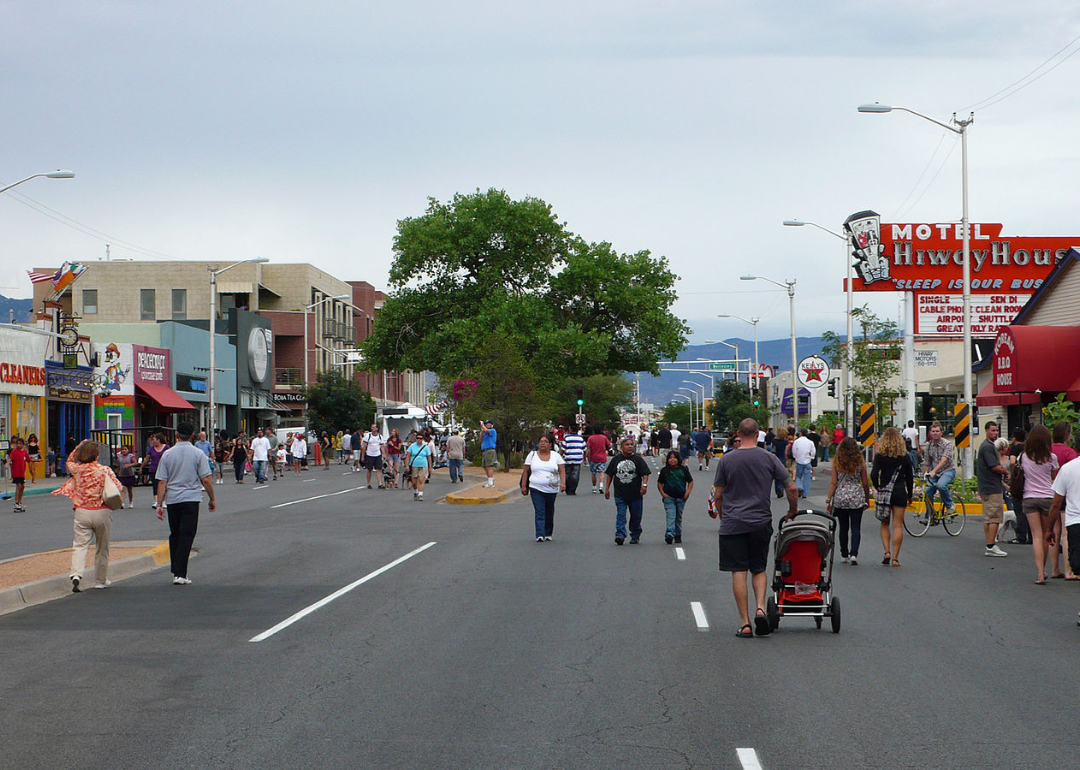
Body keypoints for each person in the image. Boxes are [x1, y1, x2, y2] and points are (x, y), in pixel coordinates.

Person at [711, 419, 798, 638]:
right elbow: (791, 487)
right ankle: (761, 607)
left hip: (733, 523)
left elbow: (718, 494)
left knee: (738, 571)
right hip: (760, 521)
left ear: (739, 433)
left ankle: (745, 622)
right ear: (758, 433)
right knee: (758, 568)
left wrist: (724, 517)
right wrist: (792, 510)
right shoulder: (769, 458)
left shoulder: (727, 460)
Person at [53, 440, 123, 592]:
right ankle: (100, 580)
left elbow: (69, 461)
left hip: (82, 511)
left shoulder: (77, 469)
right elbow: (118, 487)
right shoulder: (104, 470)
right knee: (102, 547)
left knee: (79, 545)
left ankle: (76, 574)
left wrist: (78, 446)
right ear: (96, 455)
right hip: (101, 511)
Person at [155, 421, 215, 585]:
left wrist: (159, 504)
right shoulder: (198, 454)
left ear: (176, 435)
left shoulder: (167, 454)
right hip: (191, 498)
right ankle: (180, 573)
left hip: (173, 499)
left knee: (175, 533)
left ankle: (176, 570)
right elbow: (206, 479)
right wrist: (212, 498)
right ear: (192, 436)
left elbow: (162, 481)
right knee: (187, 534)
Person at [1020, 423, 1061, 584]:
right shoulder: (1052, 458)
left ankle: (1040, 573)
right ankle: (1045, 569)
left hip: (1029, 497)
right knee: (1045, 535)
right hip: (1047, 498)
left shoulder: (1024, 456)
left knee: (1036, 536)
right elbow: (1054, 477)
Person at [871, 427, 914, 567]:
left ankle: (887, 552)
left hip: (885, 491)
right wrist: (910, 495)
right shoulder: (905, 456)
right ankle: (895, 558)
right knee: (897, 526)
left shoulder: (880, 455)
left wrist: (879, 487)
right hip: (900, 491)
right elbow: (910, 477)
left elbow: (873, 474)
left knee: (884, 523)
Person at [826, 436, 871, 564]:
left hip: (841, 497)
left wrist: (828, 500)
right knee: (856, 527)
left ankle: (844, 554)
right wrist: (866, 498)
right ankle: (854, 554)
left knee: (843, 527)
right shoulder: (860, 462)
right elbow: (865, 483)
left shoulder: (837, 462)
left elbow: (833, 483)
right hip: (856, 497)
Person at [604, 437, 651, 545]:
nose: (630, 446)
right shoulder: (616, 460)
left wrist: (644, 485)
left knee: (636, 516)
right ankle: (620, 535)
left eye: (631, 444)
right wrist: (607, 489)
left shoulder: (638, 459)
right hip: (620, 493)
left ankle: (635, 534)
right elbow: (610, 474)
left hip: (635, 494)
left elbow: (645, 473)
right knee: (621, 514)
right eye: (627, 445)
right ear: (622, 447)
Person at [522, 434, 566, 542]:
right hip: (535, 487)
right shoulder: (532, 455)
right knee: (539, 511)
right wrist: (524, 486)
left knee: (549, 511)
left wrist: (563, 483)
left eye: (545, 441)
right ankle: (540, 534)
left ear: (550, 445)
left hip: (551, 488)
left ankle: (548, 533)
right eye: (541, 441)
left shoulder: (556, 456)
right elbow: (526, 471)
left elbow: (561, 470)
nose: (542, 443)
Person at [976, 421, 1009, 557]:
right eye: (993, 430)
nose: (995, 433)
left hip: (986, 486)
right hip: (991, 487)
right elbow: (994, 466)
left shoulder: (987, 446)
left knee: (988, 517)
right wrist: (1004, 471)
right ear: (986, 431)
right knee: (994, 517)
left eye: (996, 431)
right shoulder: (988, 447)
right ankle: (991, 545)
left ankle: (989, 543)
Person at [1051, 421, 1079, 579]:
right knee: (1066, 534)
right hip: (1068, 495)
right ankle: (1069, 569)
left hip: (1053, 492)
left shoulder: (1049, 450)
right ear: (1066, 434)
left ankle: (1055, 568)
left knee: (1055, 531)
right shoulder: (1069, 453)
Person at [657, 450, 693, 545]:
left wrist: (687, 493)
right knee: (671, 515)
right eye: (670, 458)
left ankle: (678, 534)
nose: (672, 460)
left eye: (674, 458)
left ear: (678, 459)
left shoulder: (683, 470)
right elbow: (660, 483)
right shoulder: (665, 470)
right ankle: (669, 534)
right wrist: (663, 494)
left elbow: (690, 481)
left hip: (681, 497)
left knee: (678, 516)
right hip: (669, 497)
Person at [923, 421, 956, 516]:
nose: (935, 433)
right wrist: (925, 476)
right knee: (927, 491)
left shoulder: (947, 444)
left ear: (941, 433)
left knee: (941, 485)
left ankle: (950, 506)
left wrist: (933, 471)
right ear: (930, 433)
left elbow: (944, 460)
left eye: (937, 431)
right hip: (935, 473)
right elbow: (927, 463)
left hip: (947, 470)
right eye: (933, 431)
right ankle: (930, 516)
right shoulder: (928, 446)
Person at [1007, 429, 1032, 544]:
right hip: (1029, 481)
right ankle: (1032, 536)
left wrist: (1014, 473)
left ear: (1014, 438)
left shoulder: (1014, 449)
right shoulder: (1028, 448)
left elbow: (1012, 462)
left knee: (1019, 509)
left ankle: (1021, 536)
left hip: (1019, 483)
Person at [140, 433, 169, 510]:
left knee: (163, 484)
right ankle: (156, 500)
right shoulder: (151, 449)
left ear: (158, 440)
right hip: (154, 469)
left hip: (164, 469)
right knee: (155, 485)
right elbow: (146, 459)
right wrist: (141, 467)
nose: (152, 441)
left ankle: (163, 501)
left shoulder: (166, 448)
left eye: (154, 440)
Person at [405, 432, 432, 501]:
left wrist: (430, 467)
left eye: (420, 438)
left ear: (423, 439)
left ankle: (420, 494)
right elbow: (408, 456)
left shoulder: (425, 447)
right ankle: (416, 491)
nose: (419, 440)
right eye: (417, 438)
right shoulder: (412, 446)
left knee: (421, 479)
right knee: (414, 482)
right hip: (414, 465)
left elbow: (429, 457)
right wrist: (407, 465)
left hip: (423, 465)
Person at [6, 437, 30, 512]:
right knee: (18, 486)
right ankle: (16, 502)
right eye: (17, 443)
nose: (18, 445)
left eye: (20, 443)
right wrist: (7, 464)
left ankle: (19, 502)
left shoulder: (24, 452)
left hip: (22, 472)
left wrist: (37, 460)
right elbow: (10, 458)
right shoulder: (14, 451)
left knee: (22, 486)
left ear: (23, 445)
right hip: (16, 472)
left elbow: (29, 460)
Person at [585, 427, 611, 494]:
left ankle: (594, 487)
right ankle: (601, 486)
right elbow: (609, 446)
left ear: (593, 431)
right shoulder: (604, 438)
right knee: (602, 472)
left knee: (594, 473)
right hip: (602, 458)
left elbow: (588, 449)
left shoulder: (590, 438)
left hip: (593, 458)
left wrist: (585, 458)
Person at [560, 425, 585, 495]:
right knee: (575, 475)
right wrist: (585, 458)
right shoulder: (580, 438)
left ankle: (567, 488)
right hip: (577, 459)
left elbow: (563, 449)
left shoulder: (567, 438)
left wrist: (560, 457)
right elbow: (584, 448)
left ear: (570, 429)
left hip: (568, 458)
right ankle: (572, 490)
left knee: (567, 474)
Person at [791, 429, 815, 498]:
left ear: (801, 433)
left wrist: (795, 456)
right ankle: (805, 494)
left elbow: (794, 450)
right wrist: (811, 457)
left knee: (798, 476)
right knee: (807, 478)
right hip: (807, 460)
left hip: (799, 461)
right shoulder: (810, 442)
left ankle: (799, 486)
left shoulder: (797, 441)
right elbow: (813, 451)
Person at [362, 424, 385, 489]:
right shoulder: (368, 436)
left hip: (377, 454)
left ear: (377, 428)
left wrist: (383, 453)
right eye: (372, 427)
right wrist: (363, 456)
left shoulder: (380, 437)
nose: (373, 428)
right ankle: (369, 483)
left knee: (378, 469)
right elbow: (364, 446)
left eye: (374, 427)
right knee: (369, 469)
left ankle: (380, 484)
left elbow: (382, 446)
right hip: (369, 454)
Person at [480, 420, 497, 487]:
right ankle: (490, 480)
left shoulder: (492, 431)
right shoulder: (485, 433)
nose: (487, 425)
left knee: (489, 466)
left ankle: (491, 483)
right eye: (486, 424)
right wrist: (481, 432)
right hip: (485, 450)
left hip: (490, 450)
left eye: (489, 424)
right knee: (485, 466)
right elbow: (480, 440)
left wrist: (482, 425)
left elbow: (487, 430)